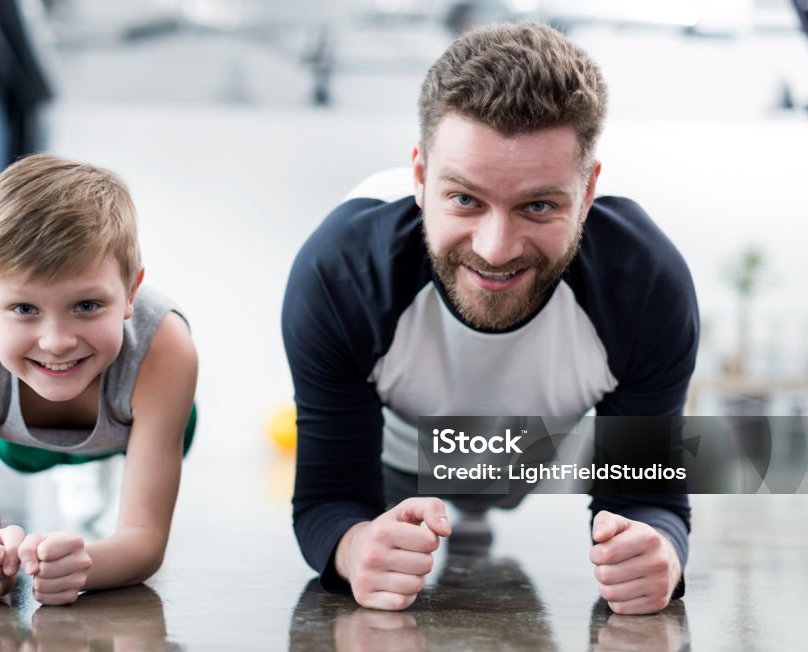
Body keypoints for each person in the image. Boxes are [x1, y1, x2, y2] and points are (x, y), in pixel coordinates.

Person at [281, 22, 697, 614]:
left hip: (525, 456)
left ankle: (476, 513)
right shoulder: (340, 274)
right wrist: (356, 547)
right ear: (420, 178)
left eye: (538, 205)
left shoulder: (647, 285)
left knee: (490, 492)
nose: (496, 249)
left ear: (587, 192)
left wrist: (661, 553)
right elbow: (329, 499)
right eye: (465, 199)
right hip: (399, 459)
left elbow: (647, 496)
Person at [0, 154, 198, 605]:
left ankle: (102, 471)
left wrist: (86, 563)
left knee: (177, 425)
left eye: (87, 306)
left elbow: (144, 541)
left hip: (127, 430)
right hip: (18, 445)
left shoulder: (165, 349)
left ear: (131, 292)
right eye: (25, 309)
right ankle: (76, 472)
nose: (56, 343)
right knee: (25, 455)